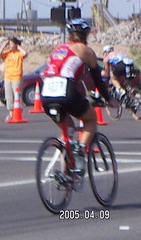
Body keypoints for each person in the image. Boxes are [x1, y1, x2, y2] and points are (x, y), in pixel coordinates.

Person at [41, 19, 118, 175]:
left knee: (68, 132)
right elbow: (97, 80)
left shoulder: (58, 49)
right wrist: (109, 100)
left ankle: (66, 173)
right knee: (90, 119)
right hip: (66, 91)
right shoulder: (86, 51)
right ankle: (80, 152)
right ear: (86, 35)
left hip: (46, 94)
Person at [0, 36, 28, 120]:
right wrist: (4, 45)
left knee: (17, 95)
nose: (10, 45)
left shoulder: (19, 53)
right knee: (9, 96)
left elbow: (25, 54)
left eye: (11, 43)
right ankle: (11, 113)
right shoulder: (7, 53)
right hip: (8, 77)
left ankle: (19, 112)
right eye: (9, 43)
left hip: (17, 77)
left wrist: (18, 47)